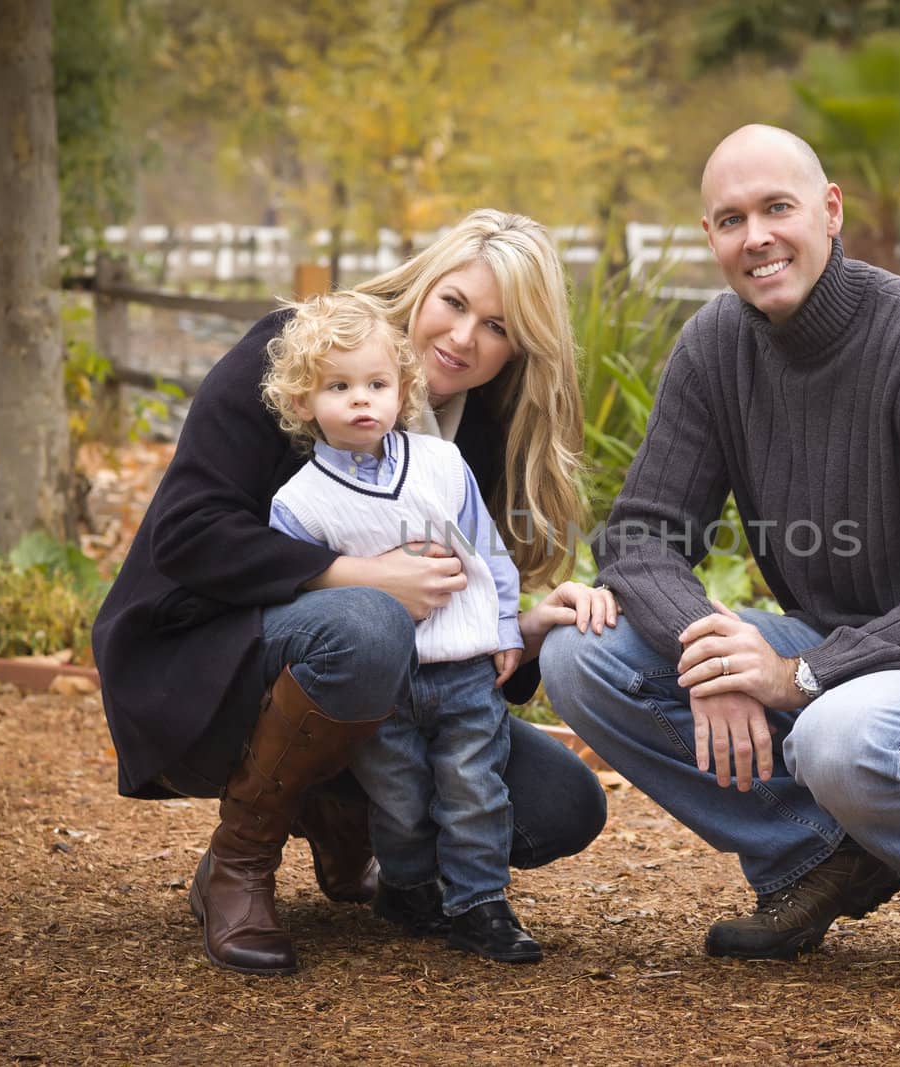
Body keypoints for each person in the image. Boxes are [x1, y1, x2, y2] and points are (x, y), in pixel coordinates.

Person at [542, 125, 900, 966]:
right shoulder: (717, 346)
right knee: (585, 658)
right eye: (731, 219)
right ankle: (819, 854)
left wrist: (795, 676)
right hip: (842, 651)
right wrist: (711, 655)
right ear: (711, 240)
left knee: (838, 734)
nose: (756, 236)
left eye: (777, 208)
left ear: (830, 212)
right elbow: (640, 535)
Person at [93, 209, 616, 976]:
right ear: (423, 284)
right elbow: (187, 534)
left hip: (392, 690)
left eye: (498, 327)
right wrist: (356, 574)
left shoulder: (466, 434)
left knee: (562, 804)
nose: (467, 337)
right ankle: (236, 866)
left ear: (519, 350)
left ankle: (342, 809)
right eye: (456, 302)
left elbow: (454, 619)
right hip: (204, 659)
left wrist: (527, 626)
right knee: (369, 623)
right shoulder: (301, 355)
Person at [261, 289, 545, 963]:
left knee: (474, 786)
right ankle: (409, 887)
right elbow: (293, 590)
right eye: (338, 386)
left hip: (463, 668)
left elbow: (489, 550)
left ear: (402, 388)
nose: (361, 399)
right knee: (399, 796)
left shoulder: (441, 465)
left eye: (377, 384)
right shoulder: (298, 503)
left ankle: (482, 903)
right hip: (382, 686)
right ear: (303, 401)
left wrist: (507, 624)